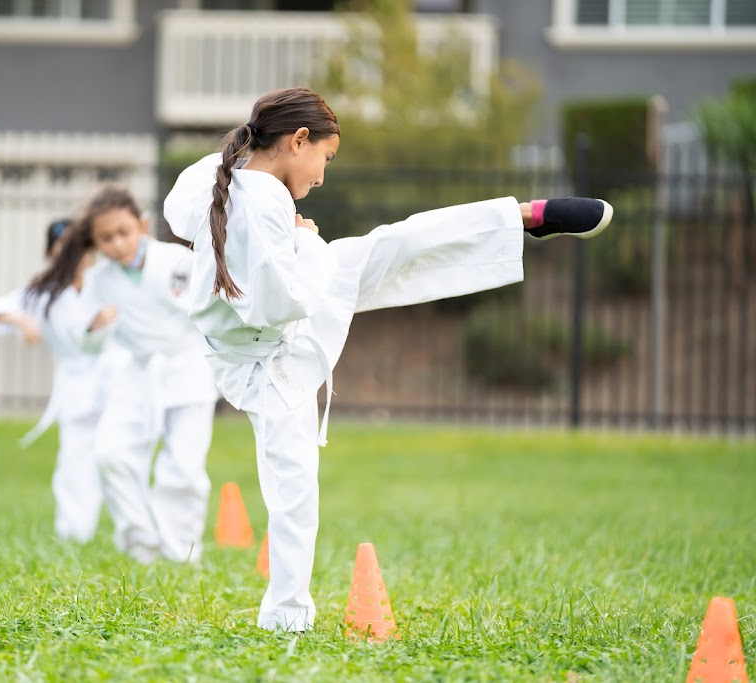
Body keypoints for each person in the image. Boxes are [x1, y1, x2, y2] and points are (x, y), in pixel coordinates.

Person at [163, 87, 614, 632]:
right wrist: (307, 242)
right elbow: (282, 302)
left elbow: (178, 211)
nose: (322, 177)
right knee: (294, 491)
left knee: (389, 246)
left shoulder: (231, 178)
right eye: (326, 158)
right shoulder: (260, 206)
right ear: (298, 140)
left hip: (272, 332)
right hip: (269, 361)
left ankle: (519, 216)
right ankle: (286, 617)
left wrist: (280, 215)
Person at [75, 186, 219, 565]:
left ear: (141, 225)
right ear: (95, 242)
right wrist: (96, 325)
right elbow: (85, 342)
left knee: (183, 467)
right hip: (135, 371)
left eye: (124, 232)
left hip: (188, 367)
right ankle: (141, 544)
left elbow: (213, 310)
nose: (117, 244)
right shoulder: (98, 280)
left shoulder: (179, 261)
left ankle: (182, 552)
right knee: (110, 454)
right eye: (106, 238)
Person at [0, 218, 120, 542]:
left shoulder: (108, 281)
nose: (73, 254)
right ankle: (74, 532)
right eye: (63, 247)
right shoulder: (43, 291)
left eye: (79, 247)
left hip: (118, 379)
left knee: (119, 455)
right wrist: (21, 321)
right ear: (50, 252)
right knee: (75, 458)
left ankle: (132, 532)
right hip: (75, 387)